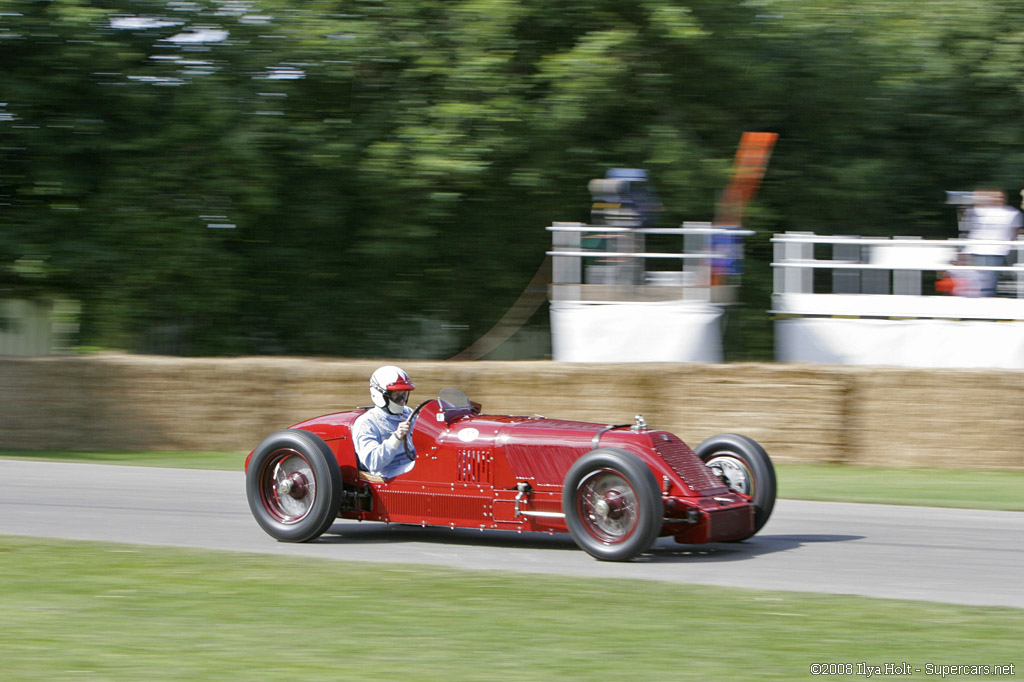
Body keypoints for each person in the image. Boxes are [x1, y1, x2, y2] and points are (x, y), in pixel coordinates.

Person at [353, 365, 417, 478]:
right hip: (388, 473)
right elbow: (373, 463)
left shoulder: (408, 413)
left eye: (404, 394)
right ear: (381, 395)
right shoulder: (366, 423)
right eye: (397, 395)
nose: (402, 400)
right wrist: (396, 437)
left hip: (414, 464)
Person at [960, 190, 1023, 296]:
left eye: (1001, 197)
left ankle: (986, 299)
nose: (998, 199)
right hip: (975, 251)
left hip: (996, 252)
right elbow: (967, 228)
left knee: (988, 281)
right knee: (974, 281)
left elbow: (1014, 233)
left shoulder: (1012, 213)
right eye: (996, 197)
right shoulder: (979, 211)